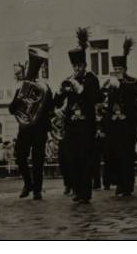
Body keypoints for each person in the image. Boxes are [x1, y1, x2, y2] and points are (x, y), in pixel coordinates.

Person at [54, 27, 102, 204]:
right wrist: (59, 92)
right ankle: (76, 189)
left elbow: (96, 98)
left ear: (85, 65)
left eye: (79, 66)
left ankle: (85, 193)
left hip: (86, 125)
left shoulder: (91, 79)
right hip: (72, 125)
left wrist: (80, 89)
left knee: (85, 159)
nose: (77, 68)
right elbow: (58, 102)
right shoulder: (69, 79)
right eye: (74, 66)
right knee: (71, 158)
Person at [8, 47, 54, 200]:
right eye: (30, 69)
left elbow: (51, 109)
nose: (31, 72)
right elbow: (11, 109)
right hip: (25, 128)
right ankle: (28, 183)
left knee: (38, 159)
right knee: (20, 155)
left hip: (39, 129)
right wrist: (20, 98)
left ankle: (37, 190)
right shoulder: (21, 88)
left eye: (35, 68)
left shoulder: (44, 88)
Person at [104, 44, 137, 197]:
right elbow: (108, 103)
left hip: (128, 125)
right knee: (116, 156)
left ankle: (128, 185)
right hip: (114, 126)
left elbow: (135, 97)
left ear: (125, 69)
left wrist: (122, 85)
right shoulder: (111, 84)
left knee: (128, 156)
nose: (117, 72)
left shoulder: (132, 81)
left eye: (120, 69)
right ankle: (119, 183)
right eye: (115, 69)